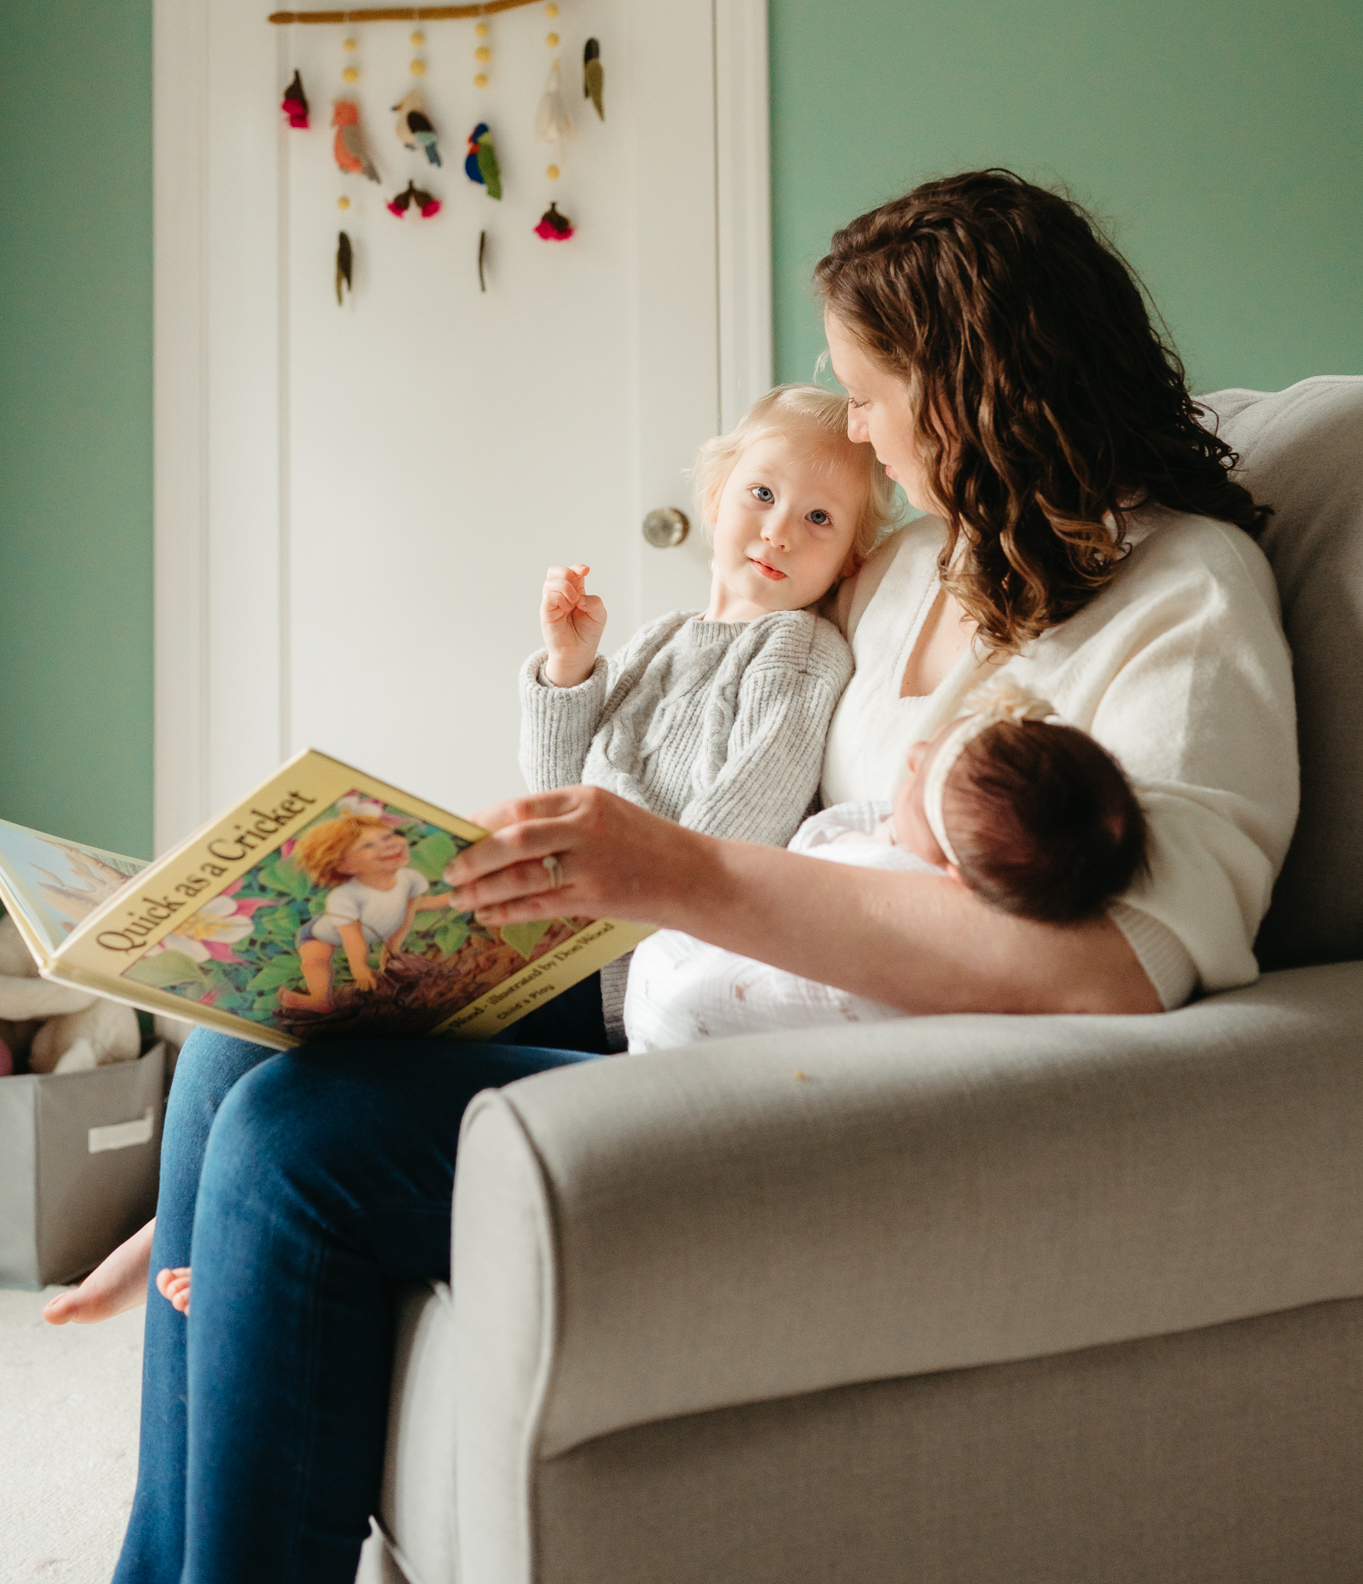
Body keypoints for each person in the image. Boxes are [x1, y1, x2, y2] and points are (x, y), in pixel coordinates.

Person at [50, 170, 1295, 1584]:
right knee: (241, 1051)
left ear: (964, 393)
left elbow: (1116, 965)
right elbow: (726, 662)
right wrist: (197, 1178)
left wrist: (674, 873)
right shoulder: (917, 566)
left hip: (844, 1093)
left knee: (302, 1144)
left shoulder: (1187, 599)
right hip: (707, 1005)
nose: (863, 440)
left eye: (872, 397)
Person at [525, 382, 899, 1037]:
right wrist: (568, 668)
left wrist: (599, 919)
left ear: (849, 562)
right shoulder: (661, 638)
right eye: (761, 494)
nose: (778, 531)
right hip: (570, 932)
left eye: (819, 519)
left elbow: (736, 834)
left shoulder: (801, 649)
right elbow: (557, 792)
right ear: (712, 500)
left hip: (625, 967)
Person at [624, 674, 1151, 1048]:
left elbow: (821, 849)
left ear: (954, 874)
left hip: (681, 1025)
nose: (913, 753)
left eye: (918, 781)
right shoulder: (976, 854)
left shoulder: (901, 880)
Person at [279, 814, 433, 1011]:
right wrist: (359, 969)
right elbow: (353, 938)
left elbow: (406, 917)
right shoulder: (344, 896)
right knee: (313, 962)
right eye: (367, 846)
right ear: (344, 866)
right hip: (321, 933)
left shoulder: (411, 879)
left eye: (387, 837)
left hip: (365, 926)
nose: (388, 845)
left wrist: (391, 952)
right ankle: (320, 1000)